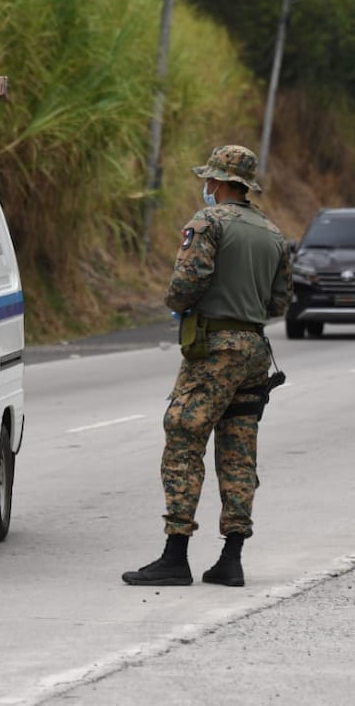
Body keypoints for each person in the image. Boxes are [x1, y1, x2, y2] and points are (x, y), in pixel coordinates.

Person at [122, 145, 291, 588]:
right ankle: (230, 558)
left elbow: (186, 283)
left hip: (214, 346)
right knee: (238, 450)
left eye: (209, 181)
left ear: (217, 183)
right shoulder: (273, 233)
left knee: (183, 436)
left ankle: (175, 554)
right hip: (254, 348)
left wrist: (183, 305)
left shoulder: (207, 222)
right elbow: (279, 301)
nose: (206, 188)